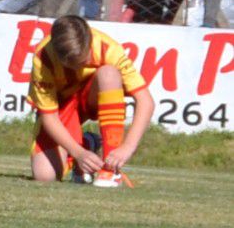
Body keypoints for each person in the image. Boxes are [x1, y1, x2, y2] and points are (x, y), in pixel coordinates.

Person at [28, 15, 154, 187]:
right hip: (61, 108)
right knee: (44, 176)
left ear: (89, 42)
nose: (79, 68)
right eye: (72, 65)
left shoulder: (108, 49)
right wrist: (78, 152)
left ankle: (110, 171)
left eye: (83, 61)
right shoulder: (43, 58)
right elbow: (49, 116)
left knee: (109, 73)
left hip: (90, 98)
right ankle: (86, 144)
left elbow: (145, 101)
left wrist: (128, 147)